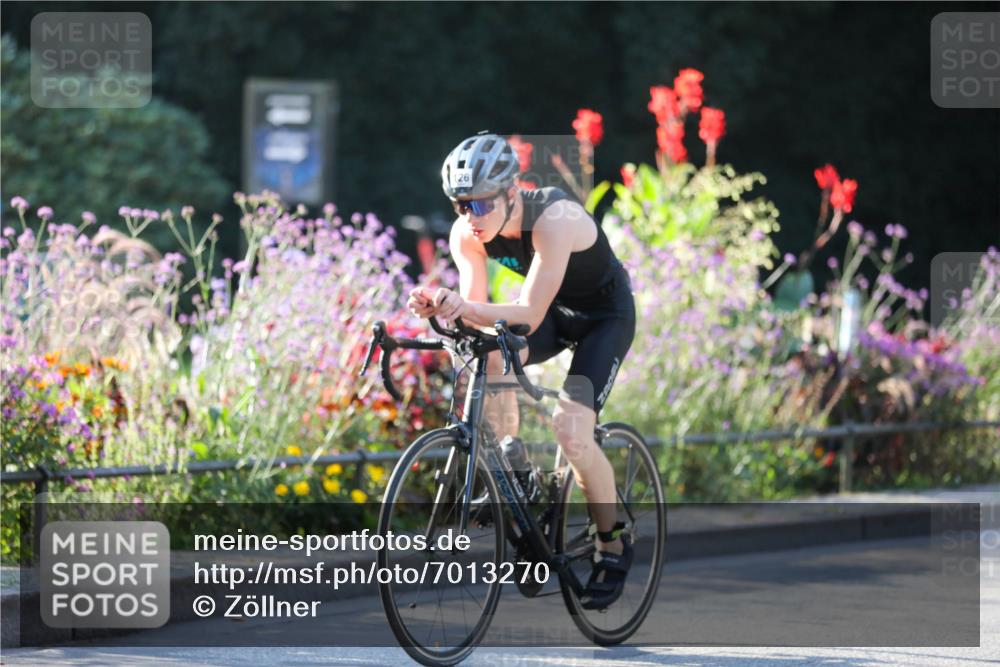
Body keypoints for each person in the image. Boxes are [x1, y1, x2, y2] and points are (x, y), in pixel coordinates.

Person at [407, 133, 637, 610]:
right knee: (488, 354)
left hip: (602, 318)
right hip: (555, 311)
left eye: (481, 204)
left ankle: (612, 540)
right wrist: (439, 310)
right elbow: (476, 313)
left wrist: (464, 306)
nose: (471, 217)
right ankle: (514, 461)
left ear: (512, 191)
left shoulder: (554, 218)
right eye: (460, 205)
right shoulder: (467, 234)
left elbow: (527, 314)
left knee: (571, 431)